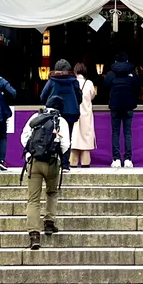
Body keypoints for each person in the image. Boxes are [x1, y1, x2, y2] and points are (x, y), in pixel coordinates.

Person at [19, 98, 70, 251]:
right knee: (52, 192)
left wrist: (31, 153)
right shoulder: (61, 121)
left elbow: (24, 138)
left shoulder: (35, 118)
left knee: (33, 199)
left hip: (34, 162)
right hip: (52, 163)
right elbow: (65, 144)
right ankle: (49, 222)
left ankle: (34, 235)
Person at [40, 60, 81, 172]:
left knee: (52, 137)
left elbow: (43, 96)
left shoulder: (52, 81)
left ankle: (51, 162)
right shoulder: (74, 81)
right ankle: (65, 164)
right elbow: (79, 97)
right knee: (67, 137)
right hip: (70, 112)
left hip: (54, 112)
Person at [101, 52, 140, 167]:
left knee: (115, 132)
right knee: (127, 133)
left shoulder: (111, 73)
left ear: (116, 61)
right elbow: (138, 85)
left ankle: (116, 159)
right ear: (127, 61)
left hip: (115, 106)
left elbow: (104, 85)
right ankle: (128, 159)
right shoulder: (132, 73)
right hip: (128, 106)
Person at [71, 62, 97, 167]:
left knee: (74, 142)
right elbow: (92, 96)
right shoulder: (89, 83)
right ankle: (85, 165)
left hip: (73, 115)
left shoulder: (72, 82)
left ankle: (72, 165)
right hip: (86, 115)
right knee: (85, 144)